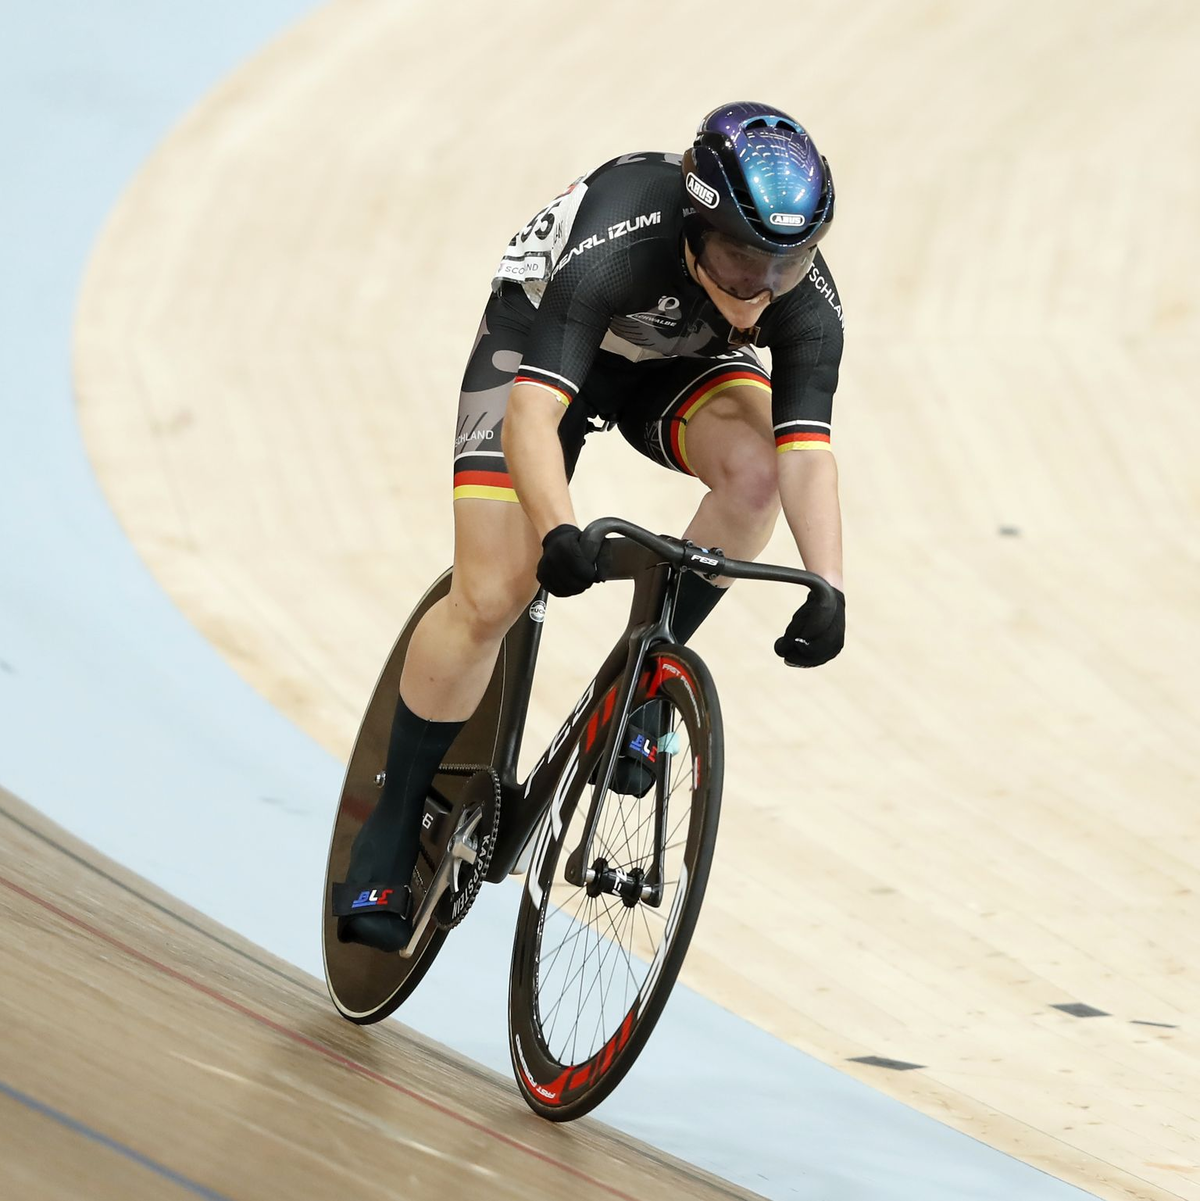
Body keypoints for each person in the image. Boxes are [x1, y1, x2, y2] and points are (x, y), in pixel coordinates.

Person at [336, 101, 847, 952]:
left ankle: (639, 692)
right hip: (538, 338)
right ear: (693, 223)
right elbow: (533, 417)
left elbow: (804, 456)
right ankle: (390, 821)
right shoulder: (622, 241)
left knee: (753, 475)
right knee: (496, 589)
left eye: (783, 266)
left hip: (676, 358)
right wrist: (558, 530)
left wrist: (829, 583)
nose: (759, 285)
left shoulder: (804, 301)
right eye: (736, 256)